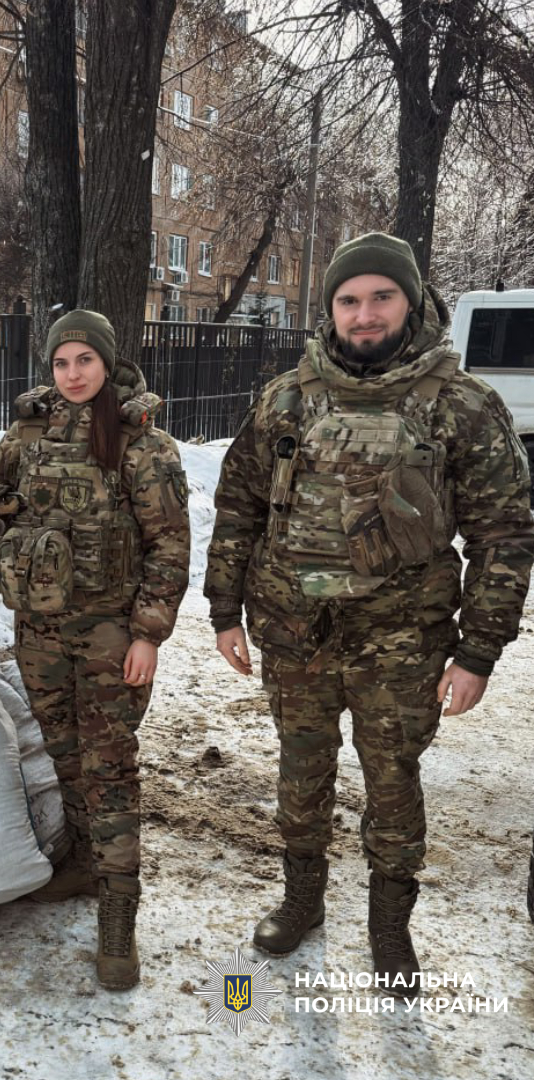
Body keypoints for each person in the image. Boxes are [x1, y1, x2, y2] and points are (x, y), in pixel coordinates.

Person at [205, 232, 534, 992]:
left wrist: (478, 652)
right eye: (348, 299)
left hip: (403, 643)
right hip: (295, 636)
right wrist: (225, 608)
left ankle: (390, 929)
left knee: (392, 785)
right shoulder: (288, 396)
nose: (364, 313)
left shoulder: (461, 405)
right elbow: (238, 508)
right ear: (330, 310)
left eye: (381, 296)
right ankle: (302, 900)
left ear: (412, 302)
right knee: (300, 773)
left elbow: (504, 536)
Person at [0, 309, 190, 990]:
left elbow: (169, 548)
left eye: (84, 360)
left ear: (107, 362)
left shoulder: (144, 446)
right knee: (64, 752)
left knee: (111, 769)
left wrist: (148, 634)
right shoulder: (27, 434)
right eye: (60, 362)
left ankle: (118, 914)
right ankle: (79, 859)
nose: (72, 375)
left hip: (110, 638)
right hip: (40, 633)